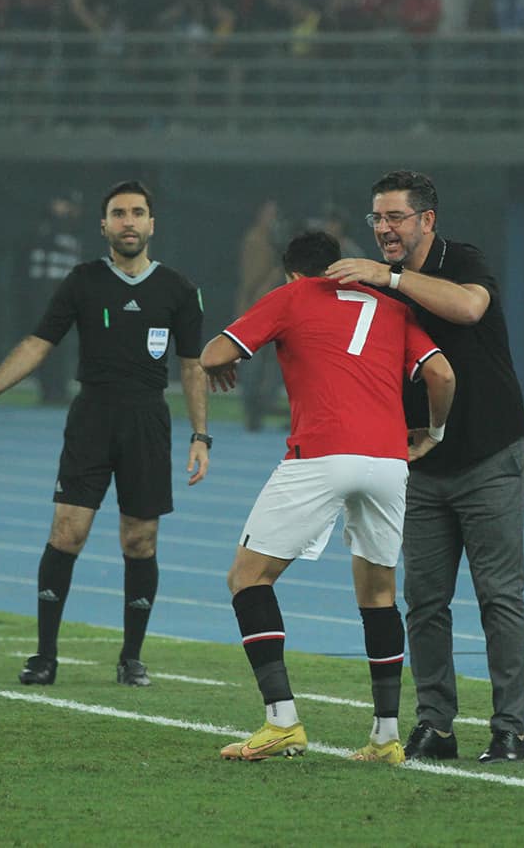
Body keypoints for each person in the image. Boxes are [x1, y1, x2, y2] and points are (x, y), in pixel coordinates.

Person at [199, 230, 455, 763]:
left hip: (322, 452)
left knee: (248, 577)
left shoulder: (292, 295)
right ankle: (386, 738)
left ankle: (281, 722)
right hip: (389, 461)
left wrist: (220, 362)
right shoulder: (391, 306)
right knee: (379, 595)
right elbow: (441, 373)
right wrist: (433, 432)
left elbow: (213, 353)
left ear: (294, 272)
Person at [0, 180, 210, 687]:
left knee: (140, 540)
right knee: (67, 532)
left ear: (152, 224)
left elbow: (193, 366)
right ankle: (44, 655)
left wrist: (201, 435)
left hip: (147, 421)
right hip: (92, 417)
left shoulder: (178, 289)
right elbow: (37, 343)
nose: (129, 222)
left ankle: (131, 658)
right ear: (104, 226)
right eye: (119, 214)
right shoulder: (82, 280)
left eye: (137, 213)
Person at [326, 170, 524, 764]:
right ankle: (436, 725)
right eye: (378, 218)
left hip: (488, 454)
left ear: (427, 220)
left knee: (499, 596)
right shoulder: (377, 284)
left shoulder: (460, 261)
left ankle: (509, 729)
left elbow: (468, 308)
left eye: (395, 217)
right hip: (419, 464)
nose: (384, 229)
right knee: (423, 601)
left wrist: (389, 277)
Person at [22, 189, 84, 404]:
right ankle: (49, 390)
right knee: (46, 343)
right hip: (45, 292)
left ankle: (59, 390)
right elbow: (38, 240)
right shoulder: (46, 228)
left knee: (62, 345)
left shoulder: (73, 233)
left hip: (63, 292)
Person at [236, 199, 287, 431]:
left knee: (271, 363)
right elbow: (251, 281)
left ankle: (261, 407)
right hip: (255, 310)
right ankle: (253, 410)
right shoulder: (255, 240)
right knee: (253, 363)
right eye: (269, 214)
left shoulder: (275, 241)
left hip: (272, 312)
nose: (273, 219)